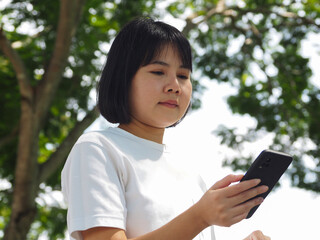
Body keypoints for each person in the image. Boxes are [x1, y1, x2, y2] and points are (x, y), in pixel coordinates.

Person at [61, 17, 271, 240]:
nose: (174, 86)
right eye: (158, 72)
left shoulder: (187, 168)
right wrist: (200, 216)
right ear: (123, 78)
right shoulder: (98, 148)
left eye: (183, 76)